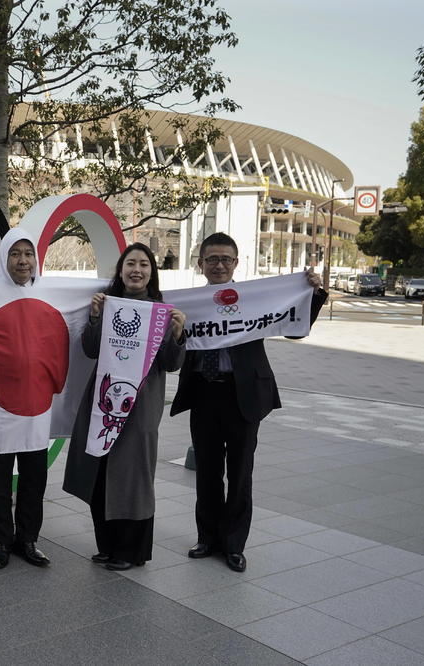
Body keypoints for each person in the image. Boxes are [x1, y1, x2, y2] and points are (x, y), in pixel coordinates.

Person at [171, 232, 326, 572]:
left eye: (226, 259)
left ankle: (234, 544)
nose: (219, 265)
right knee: (208, 474)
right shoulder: (188, 301)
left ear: (236, 263)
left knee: (240, 473)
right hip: (204, 394)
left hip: (244, 395)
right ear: (200, 264)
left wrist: (312, 294)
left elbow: (295, 329)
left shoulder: (255, 299)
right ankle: (207, 538)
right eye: (212, 259)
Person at [62, 243, 187, 570]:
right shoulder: (106, 306)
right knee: (101, 476)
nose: (137, 270)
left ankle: (130, 551)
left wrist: (177, 334)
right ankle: (107, 545)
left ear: (151, 272)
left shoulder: (161, 312)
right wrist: (93, 318)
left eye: (144, 264)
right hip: (103, 405)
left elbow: (171, 364)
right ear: (120, 271)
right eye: (130, 263)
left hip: (140, 409)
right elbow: (89, 350)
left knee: (132, 479)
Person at [0, 229, 52, 569]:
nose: (23, 260)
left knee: (33, 477)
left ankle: (28, 539)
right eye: (15, 254)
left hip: (36, 404)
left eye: (28, 253)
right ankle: (1, 540)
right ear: (4, 258)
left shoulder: (50, 295)